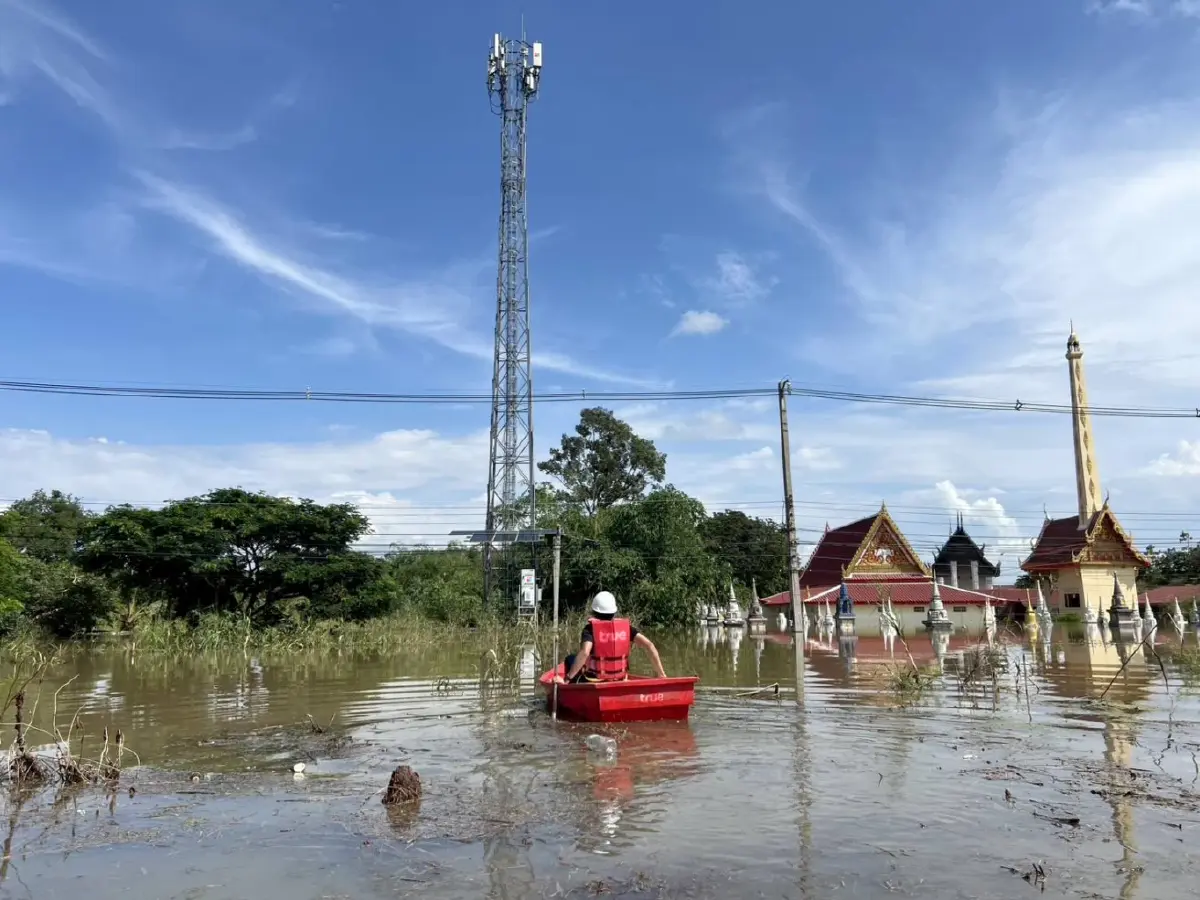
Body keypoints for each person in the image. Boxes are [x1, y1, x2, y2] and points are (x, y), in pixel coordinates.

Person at [554, 590, 667, 684]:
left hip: (595, 679)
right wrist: (661, 674)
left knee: (570, 659)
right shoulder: (627, 628)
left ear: (594, 611)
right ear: (614, 611)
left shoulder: (590, 629)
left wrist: (566, 679)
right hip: (621, 678)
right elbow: (649, 645)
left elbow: (585, 653)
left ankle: (569, 682)